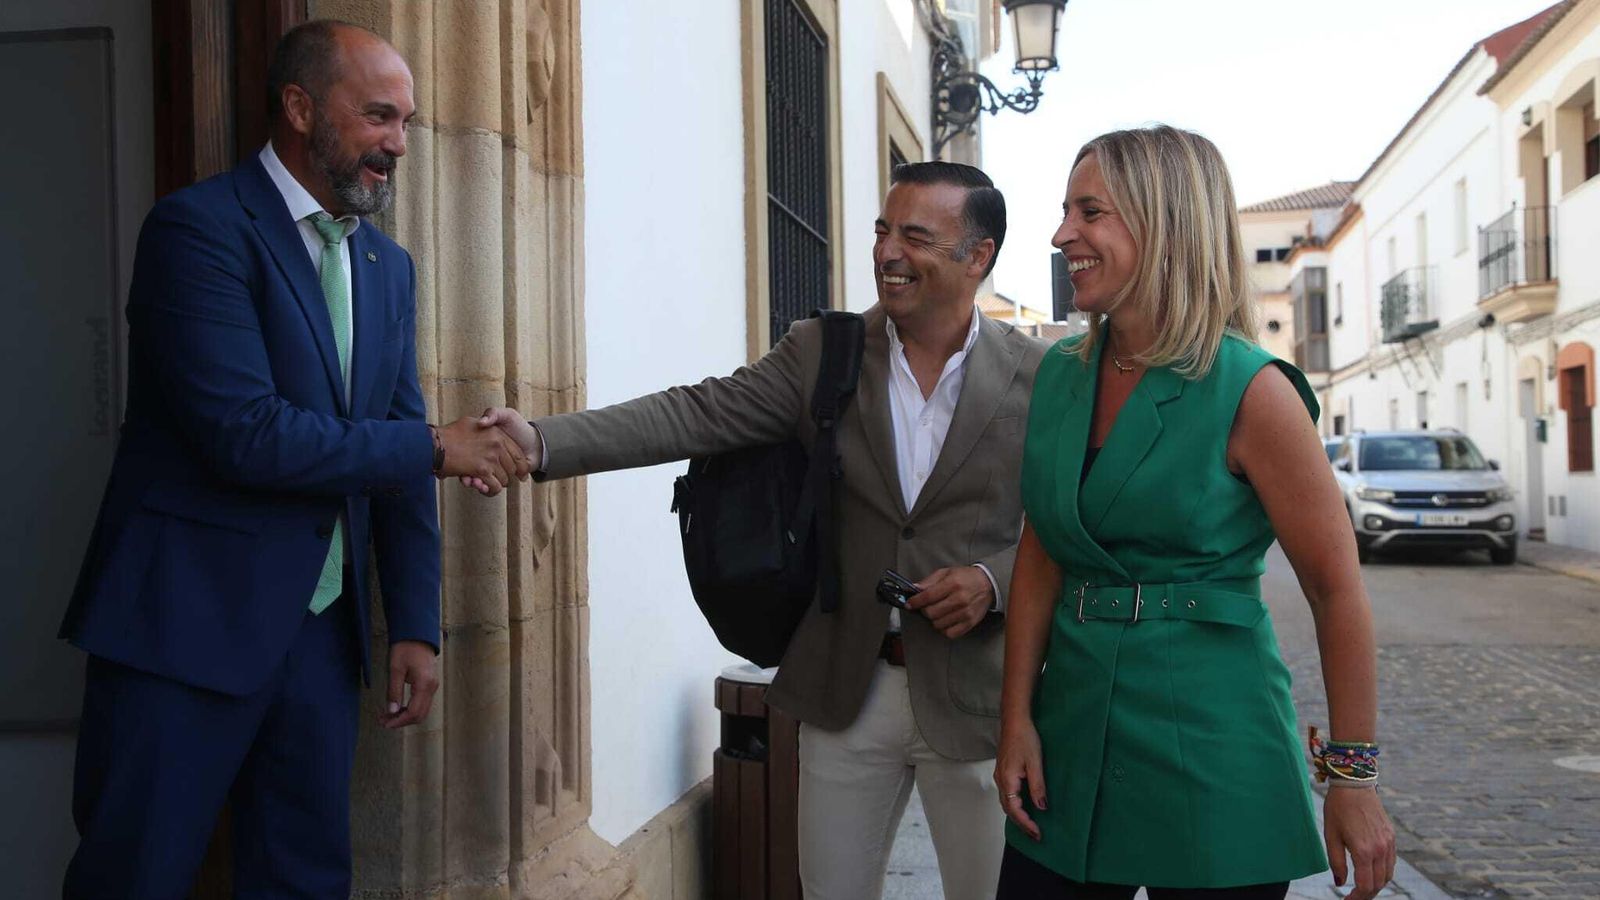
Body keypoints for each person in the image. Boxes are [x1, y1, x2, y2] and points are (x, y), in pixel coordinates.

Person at [476, 162, 1048, 899]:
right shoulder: (825, 353)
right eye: (882, 230)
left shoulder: (1042, 375)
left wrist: (993, 582)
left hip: (980, 700)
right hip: (847, 690)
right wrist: (540, 440)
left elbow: (1070, 523)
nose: (887, 252)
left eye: (916, 235)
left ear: (979, 256)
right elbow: (695, 414)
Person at [58, 20, 528, 898]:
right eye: (379, 117)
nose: (396, 144)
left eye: (408, 124)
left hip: (319, 644)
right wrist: (436, 449)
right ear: (301, 107)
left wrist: (417, 625)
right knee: (134, 876)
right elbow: (246, 431)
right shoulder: (196, 231)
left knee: (305, 884)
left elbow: (395, 439)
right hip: (181, 631)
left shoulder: (388, 266)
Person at [993, 125, 1397, 900]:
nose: (1061, 234)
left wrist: (1352, 777)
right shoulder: (1059, 378)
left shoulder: (1254, 390)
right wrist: (1018, 719)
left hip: (1216, 746)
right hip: (1072, 736)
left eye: (1090, 212)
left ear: (1166, 224)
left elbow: (1336, 588)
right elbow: (1042, 552)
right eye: (1065, 211)